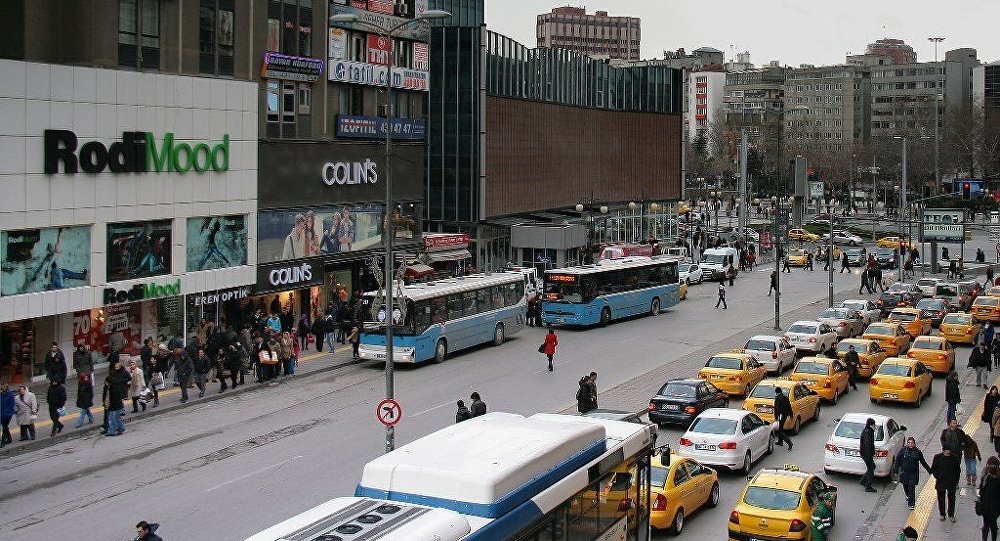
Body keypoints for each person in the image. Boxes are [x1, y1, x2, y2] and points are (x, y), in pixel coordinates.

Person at [894, 437, 932, 510]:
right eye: (909, 443)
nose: (910, 444)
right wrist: (896, 469)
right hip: (904, 472)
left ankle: (911, 504)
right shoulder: (903, 450)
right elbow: (897, 460)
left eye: (912, 443)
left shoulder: (918, 452)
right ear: (907, 443)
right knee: (905, 486)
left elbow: (923, 462)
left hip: (913, 473)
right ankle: (907, 495)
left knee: (912, 488)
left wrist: (929, 470)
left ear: (914, 443)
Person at [930, 443, 961, 522]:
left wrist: (956, 480)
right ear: (943, 450)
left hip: (951, 481)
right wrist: (938, 476)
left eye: (949, 450)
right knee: (941, 498)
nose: (948, 452)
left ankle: (951, 514)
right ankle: (942, 514)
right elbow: (934, 468)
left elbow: (958, 470)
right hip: (941, 481)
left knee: (952, 498)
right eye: (946, 450)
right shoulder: (937, 457)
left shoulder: (955, 458)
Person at [981, 456, 1000, 541]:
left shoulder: (986, 477)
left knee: (988, 525)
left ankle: (985, 539)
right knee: (991, 525)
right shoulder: (987, 477)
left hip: (989, 506)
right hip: (993, 507)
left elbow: (981, 491)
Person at [860, 417, 878, 492]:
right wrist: (870, 455)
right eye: (874, 425)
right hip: (867, 454)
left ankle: (863, 481)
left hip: (865, 454)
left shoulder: (867, 430)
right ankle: (868, 486)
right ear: (871, 425)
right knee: (871, 469)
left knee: (872, 466)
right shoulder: (868, 432)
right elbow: (867, 445)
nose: (875, 426)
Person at [0, 383, 14, 447]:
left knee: (4, 427)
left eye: (1, 389)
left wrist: (9, 412)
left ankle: (3, 441)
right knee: (5, 427)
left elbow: (12, 404)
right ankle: (9, 438)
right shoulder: (1, 395)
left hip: (7, 415)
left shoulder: (10, 395)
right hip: (1, 414)